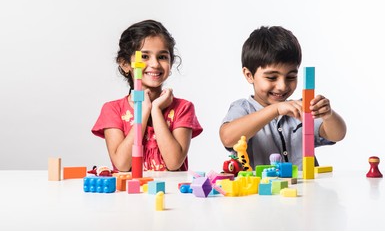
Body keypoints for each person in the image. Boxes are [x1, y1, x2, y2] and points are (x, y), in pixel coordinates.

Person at [219, 26, 346, 170]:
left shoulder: (302, 107)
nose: (282, 86)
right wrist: (275, 110)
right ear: (249, 75)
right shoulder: (242, 108)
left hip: (305, 190)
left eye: (291, 77)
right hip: (263, 191)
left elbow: (337, 135)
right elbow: (228, 138)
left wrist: (328, 115)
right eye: (272, 77)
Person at [92, 20, 203, 172]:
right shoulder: (112, 109)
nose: (155, 64)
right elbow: (122, 164)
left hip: (171, 194)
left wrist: (156, 110)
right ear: (125, 64)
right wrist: (144, 112)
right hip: (129, 195)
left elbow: (174, 162)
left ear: (171, 63)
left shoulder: (183, 108)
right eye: (144, 56)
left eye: (162, 57)